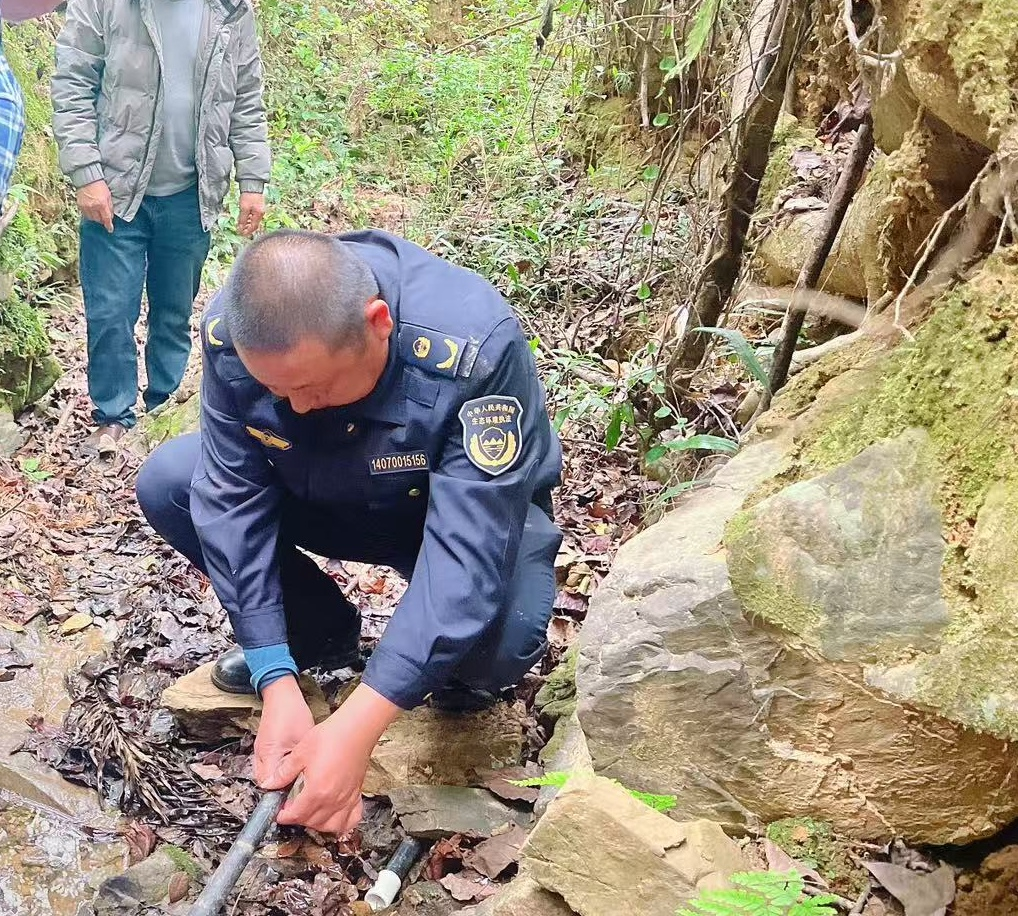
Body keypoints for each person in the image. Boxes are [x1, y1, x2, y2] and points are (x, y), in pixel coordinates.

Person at [136, 229, 563, 835]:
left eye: (315, 386)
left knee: (494, 653)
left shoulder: (472, 349)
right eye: (279, 391)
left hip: (448, 516)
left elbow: (468, 553)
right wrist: (274, 674)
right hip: (326, 493)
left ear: (378, 322)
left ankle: (436, 665)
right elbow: (232, 497)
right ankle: (318, 637)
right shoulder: (236, 335)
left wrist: (360, 725)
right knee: (171, 481)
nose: (300, 406)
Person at [51, 0, 271, 454]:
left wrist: (253, 180)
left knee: (173, 313)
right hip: (115, 189)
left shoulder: (230, 10)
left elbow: (247, 98)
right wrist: (87, 173)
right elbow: (72, 82)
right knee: (110, 312)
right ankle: (113, 416)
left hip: (192, 193)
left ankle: (164, 409)